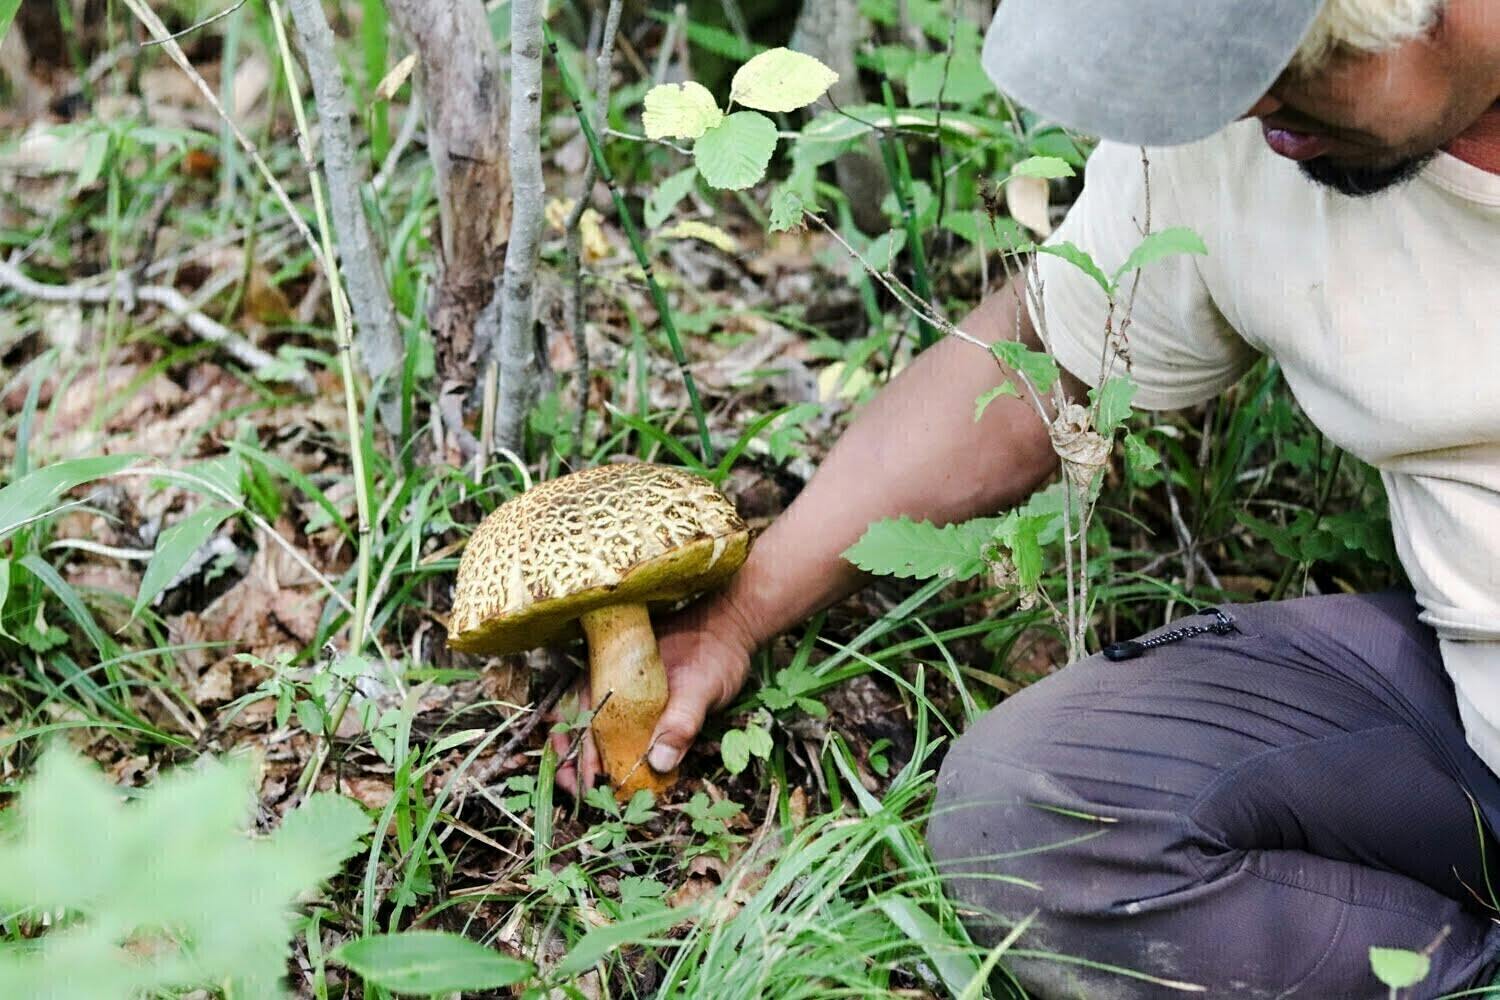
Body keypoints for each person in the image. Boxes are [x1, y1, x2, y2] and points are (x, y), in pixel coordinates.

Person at [553, 0, 1500, 994]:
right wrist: (736, 616)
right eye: (1225, 64)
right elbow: (1039, 371)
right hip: (1469, 693)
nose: (1250, 98)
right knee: (1032, 809)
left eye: (1304, 59)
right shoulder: (1235, 134)